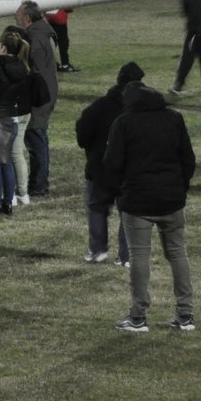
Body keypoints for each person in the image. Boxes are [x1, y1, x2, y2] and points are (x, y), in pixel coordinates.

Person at [103, 80, 196, 333]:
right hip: (172, 200)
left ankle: (138, 317)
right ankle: (186, 314)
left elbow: (112, 164)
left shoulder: (123, 123)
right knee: (177, 253)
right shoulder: (174, 118)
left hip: (137, 202)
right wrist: (180, 188)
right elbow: (188, 159)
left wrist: (119, 193)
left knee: (139, 257)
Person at [75, 62, 141, 266]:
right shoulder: (139, 111)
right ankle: (127, 256)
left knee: (97, 208)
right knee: (128, 213)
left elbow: (82, 135)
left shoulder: (99, 107)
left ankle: (98, 251)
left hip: (99, 169)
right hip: (128, 172)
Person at [0, 28, 31, 215]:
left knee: (0, 159)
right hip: (21, 112)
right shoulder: (23, 63)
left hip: (5, 114)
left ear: (2, 46)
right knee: (14, 154)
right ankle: (19, 195)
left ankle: (5, 199)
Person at [16, 0, 58, 198]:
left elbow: (32, 71)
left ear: (27, 18)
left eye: (18, 14)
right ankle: (40, 182)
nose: (15, 16)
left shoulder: (35, 39)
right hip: (45, 94)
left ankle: (39, 184)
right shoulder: (43, 32)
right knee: (39, 138)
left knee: (36, 139)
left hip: (38, 99)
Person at [46, 7, 77, 72]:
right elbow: (68, 7)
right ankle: (65, 65)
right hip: (59, 19)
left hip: (48, 18)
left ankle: (53, 64)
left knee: (51, 43)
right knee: (63, 43)